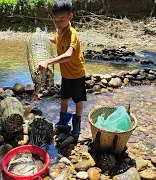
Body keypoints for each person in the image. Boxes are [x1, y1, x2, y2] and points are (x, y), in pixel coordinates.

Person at [38, 0, 86, 135]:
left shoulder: (73, 34)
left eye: (61, 20)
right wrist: (44, 38)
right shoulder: (59, 31)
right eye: (55, 21)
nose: (57, 24)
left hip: (77, 74)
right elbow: (56, 40)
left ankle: (76, 125)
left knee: (78, 100)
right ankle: (63, 121)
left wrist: (48, 61)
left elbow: (69, 55)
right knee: (63, 98)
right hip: (66, 74)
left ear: (70, 17)